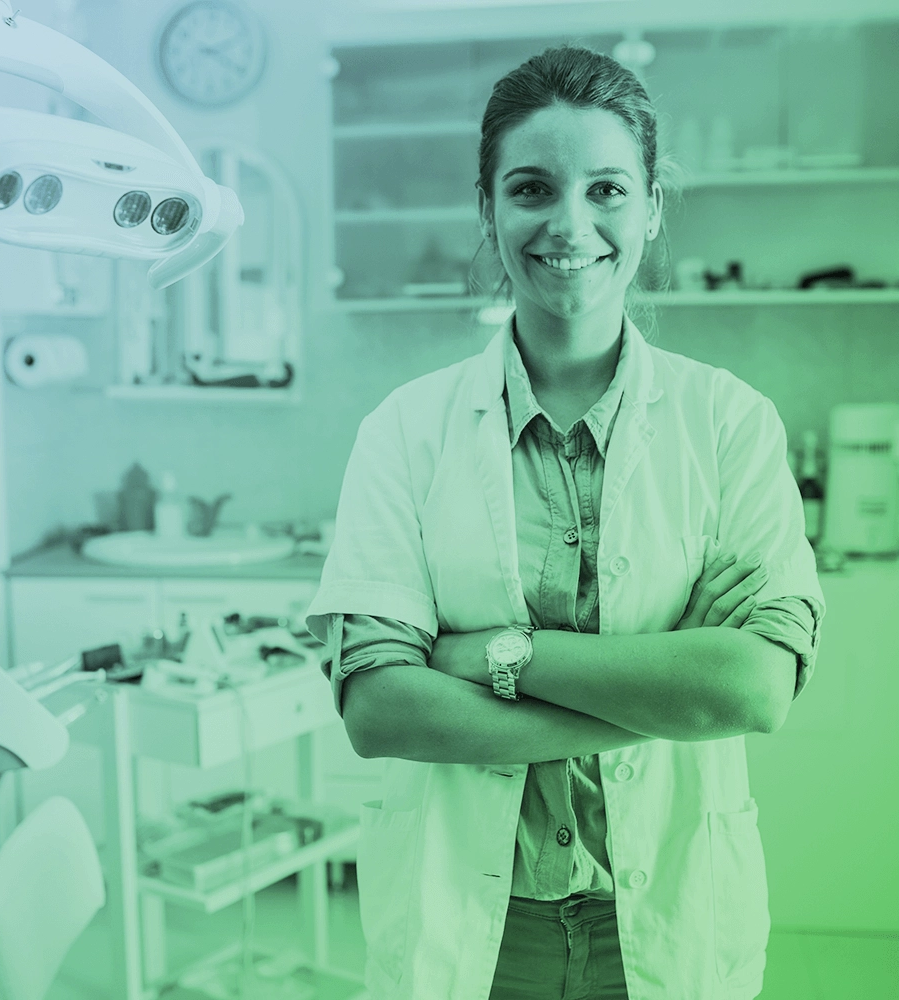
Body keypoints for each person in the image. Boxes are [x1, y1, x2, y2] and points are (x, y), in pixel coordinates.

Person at [305, 44, 824, 1000]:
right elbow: (379, 711)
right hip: (474, 929)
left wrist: (497, 655)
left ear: (654, 207)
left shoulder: (728, 422)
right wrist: (667, 689)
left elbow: (754, 689)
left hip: (666, 920)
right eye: (533, 188)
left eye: (609, 190)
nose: (569, 223)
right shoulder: (406, 431)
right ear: (490, 208)